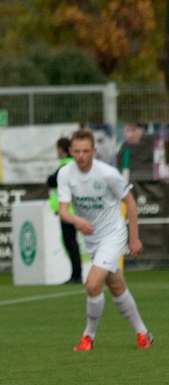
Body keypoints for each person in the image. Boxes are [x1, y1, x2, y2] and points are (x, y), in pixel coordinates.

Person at [57, 129, 153, 351]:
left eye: (85, 151)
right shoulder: (65, 173)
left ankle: (88, 337)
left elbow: (130, 203)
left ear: (94, 151)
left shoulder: (107, 174)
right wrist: (76, 220)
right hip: (92, 237)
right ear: (70, 151)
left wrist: (134, 239)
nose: (81, 156)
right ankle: (143, 333)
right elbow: (63, 210)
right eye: (77, 151)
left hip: (113, 233)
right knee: (116, 284)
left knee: (92, 284)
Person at [46, 137, 82, 284]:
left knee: (71, 243)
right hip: (69, 210)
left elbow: (52, 180)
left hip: (69, 211)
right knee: (71, 242)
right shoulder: (68, 164)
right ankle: (76, 274)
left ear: (61, 148)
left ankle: (76, 275)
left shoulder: (67, 164)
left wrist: (50, 178)